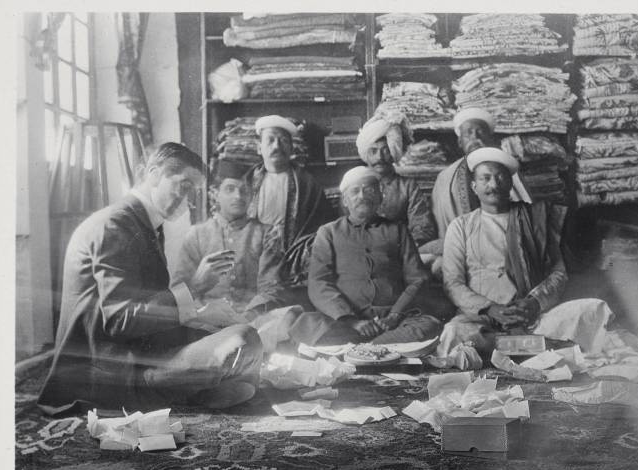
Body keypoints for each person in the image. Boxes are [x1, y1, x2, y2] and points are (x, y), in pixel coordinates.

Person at [38, 143, 264, 415]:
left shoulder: (139, 222)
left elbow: (145, 306)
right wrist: (193, 288)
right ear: (154, 174)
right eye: (184, 185)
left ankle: (203, 388)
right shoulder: (115, 225)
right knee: (243, 338)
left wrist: (201, 317)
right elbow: (120, 321)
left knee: (233, 336)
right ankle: (199, 391)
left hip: (135, 355)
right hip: (109, 372)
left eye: (195, 192)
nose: (190, 199)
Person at [439, 147, 568, 362]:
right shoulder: (461, 226)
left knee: (589, 310)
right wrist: (489, 308)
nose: (494, 185)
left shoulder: (534, 219)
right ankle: (531, 351)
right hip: (482, 319)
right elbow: (452, 283)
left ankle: (511, 351)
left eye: (500, 177)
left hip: (532, 315)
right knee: (455, 332)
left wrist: (534, 303)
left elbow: (559, 273)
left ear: (510, 183)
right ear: (474, 186)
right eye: (485, 178)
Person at [289, 166, 443, 346]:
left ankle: (365, 350)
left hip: (393, 322)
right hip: (346, 323)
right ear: (345, 201)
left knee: (429, 325)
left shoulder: (397, 230)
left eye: (369, 190)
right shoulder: (328, 232)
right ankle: (382, 349)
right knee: (306, 325)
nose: (362, 196)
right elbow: (318, 283)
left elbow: (418, 279)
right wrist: (352, 321)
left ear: (380, 196)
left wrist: (395, 315)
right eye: (355, 191)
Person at [173, 159, 303, 353]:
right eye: (230, 189)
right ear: (214, 194)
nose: (238, 196)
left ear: (252, 196)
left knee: (289, 321)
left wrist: (248, 315)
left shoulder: (267, 233)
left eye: (245, 190)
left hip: (255, 320)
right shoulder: (197, 235)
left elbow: (271, 287)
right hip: (208, 321)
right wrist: (208, 312)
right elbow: (180, 288)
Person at [244, 115, 335, 286]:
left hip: (295, 262)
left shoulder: (307, 184)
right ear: (259, 148)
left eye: (283, 141)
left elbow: (323, 226)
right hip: (254, 259)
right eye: (270, 140)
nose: (277, 146)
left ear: (292, 148)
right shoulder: (246, 182)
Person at [431, 108, 531, 240]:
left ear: (490, 138)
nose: (475, 138)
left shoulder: (507, 168)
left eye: (481, 132)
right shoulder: (445, 177)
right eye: (468, 133)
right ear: (460, 142)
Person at [355, 113, 437, 248]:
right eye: (373, 151)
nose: (379, 157)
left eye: (386, 150)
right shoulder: (356, 185)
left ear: (394, 152)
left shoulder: (408, 187)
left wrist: (403, 249)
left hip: (401, 250)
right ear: (366, 155)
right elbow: (347, 227)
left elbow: (422, 227)